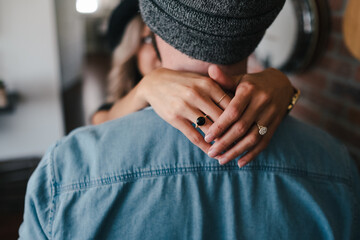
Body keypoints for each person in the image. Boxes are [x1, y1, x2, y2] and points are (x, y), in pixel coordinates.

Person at [19, 0, 360, 239]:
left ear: (152, 27)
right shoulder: (336, 166)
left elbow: (99, 125)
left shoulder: (66, 170)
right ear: (259, 29)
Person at [92, 0, 296, 167]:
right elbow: (99, 121)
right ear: (130, 52)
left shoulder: (254, 94)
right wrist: (144, 88)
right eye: (147, 38)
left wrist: (286, 90)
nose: (156, 47)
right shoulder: (125, 103)